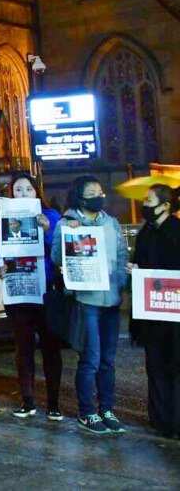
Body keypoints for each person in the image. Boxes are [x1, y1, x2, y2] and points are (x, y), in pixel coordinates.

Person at [53, 175, 129, 435]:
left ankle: (107, 408)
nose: (99, 196)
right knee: (91, 359)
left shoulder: (111, 223)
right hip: (87, 301)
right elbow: (56, 257)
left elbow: (121, 256)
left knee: (108, 360)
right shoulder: (67, 223)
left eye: (101, 192)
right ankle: (87, 412)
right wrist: (70, 234)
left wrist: (120, 284)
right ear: (80, 196)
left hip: (111, 300)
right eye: (92, 192)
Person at [0, 172, 64, 420]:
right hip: (19, 295)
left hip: (46, 293)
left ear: (36, 192)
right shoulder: (2, 223)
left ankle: (53, 403)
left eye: (27, 190)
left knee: (51, 349)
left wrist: (48, 230)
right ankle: (27, 400)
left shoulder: (51, 217)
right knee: (24, 349)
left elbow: (62, 253)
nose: (23, 194)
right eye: (18, 190)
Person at [131, 184, 180, 439]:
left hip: (174, 315)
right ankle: (160, 418)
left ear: (165, 206)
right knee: (155, 366)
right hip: (151, 313)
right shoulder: (145, 233)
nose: (146, 205)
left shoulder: (176, 231)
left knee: (174, 366)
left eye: (149, 201)